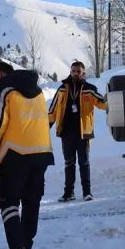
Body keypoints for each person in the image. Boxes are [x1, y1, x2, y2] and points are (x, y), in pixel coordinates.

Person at [0, 63, 53, 249]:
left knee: (8, 202)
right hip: (41, 153)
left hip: (14, 153)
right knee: (32, 202)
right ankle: (27, 248)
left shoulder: (3, 90)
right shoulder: (38, 91)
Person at [47, 61, 106, 202]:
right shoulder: (62, 89)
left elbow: (102, 103)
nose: (75, 73)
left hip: (83, 132)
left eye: (78, 71)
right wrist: (45, 129)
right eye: (73, 71)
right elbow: (53, 110)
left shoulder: (89, 89)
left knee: (84, 163)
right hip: (66, 133)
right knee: (69, 163)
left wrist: (115, 105)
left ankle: (87, 193)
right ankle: (69, 193)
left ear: (83, 73)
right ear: (70, 71)